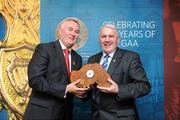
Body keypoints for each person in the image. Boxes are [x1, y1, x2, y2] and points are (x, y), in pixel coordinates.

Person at [23, 18, 89, 120]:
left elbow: (75, 84)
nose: (73, 34)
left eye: (76, 32)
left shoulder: (77, 58)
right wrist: (66, 89)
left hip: (65, 114)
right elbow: (35, 80)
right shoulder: (45, 49)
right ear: (59, 31)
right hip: (41, 114)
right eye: (70, 29)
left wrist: (82, 92)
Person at [88, 24, 151, 120]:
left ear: (118, 40)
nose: (107, 40)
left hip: (121, 117)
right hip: (97, 116)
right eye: (103, 36)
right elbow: (92, 88)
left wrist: (118, 89)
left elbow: (144, 86)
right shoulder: (92, 60)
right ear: (99, 40)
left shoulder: (130, 57)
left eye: (111, 36)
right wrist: (83, 92)